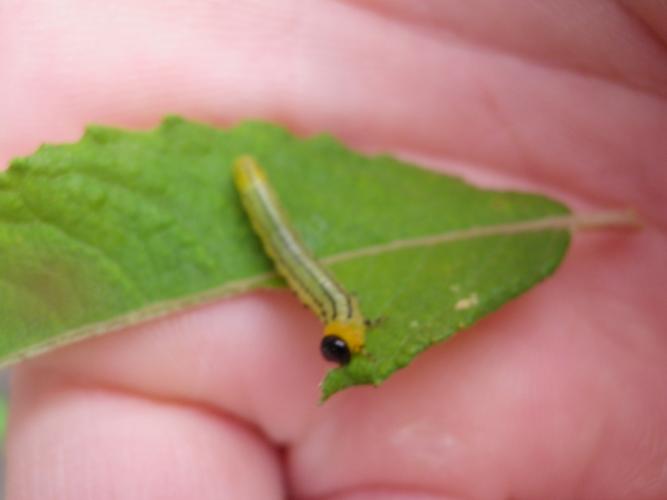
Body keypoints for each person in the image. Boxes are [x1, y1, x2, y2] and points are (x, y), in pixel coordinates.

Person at [2, 2, 665, 498]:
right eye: (343, 339)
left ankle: (253, 183)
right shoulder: (329, 302)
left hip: (280, 219)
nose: (345, 339)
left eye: (342, 341)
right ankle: (252, 184)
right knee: (281, 245)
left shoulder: (335, 305)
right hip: (260, 202)